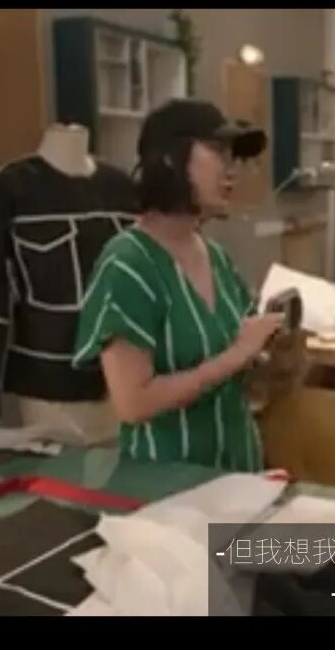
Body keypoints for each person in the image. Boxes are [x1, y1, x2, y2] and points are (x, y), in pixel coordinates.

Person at [72, 99, 283, 471]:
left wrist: (278, 359)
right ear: (171, 159)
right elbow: (133, 403)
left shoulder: (217, 258)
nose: (231, 170)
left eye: (233, 157)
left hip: (239, 476)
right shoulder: (129, 264)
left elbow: (248, 382)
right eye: (218, 152)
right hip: (168, 486)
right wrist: (236, 355)